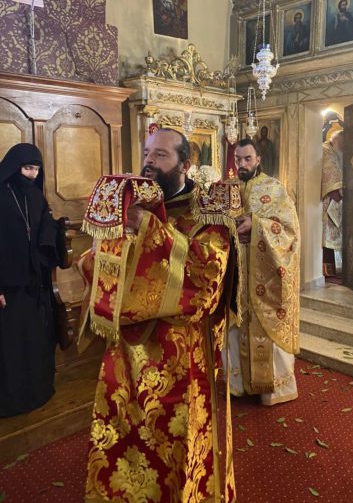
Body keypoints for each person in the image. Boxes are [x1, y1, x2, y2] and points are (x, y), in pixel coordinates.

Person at [82, 128, 239, 503]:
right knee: (123, 435)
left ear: (185, 164)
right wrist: (103, 247)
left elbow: (206, 281)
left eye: (161, 155)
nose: (149, 162)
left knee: (174, 446)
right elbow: (95, 268)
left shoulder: (208, 215)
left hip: (179, 360)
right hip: (125, 356)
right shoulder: (130, 205)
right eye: (148, 152)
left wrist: (149, 230)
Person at [224, 138, 300, 406]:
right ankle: (238, 385)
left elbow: (290, 232)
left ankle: (271, 389)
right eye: (238, 159)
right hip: (236, 273)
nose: (242, 164)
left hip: (264, 278)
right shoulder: (228, 189)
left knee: (265, 328)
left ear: (258, 159)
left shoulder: (274, 189)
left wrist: (256, 225)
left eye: (247, 159)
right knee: (235, 326)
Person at [0, 143, 66, 416]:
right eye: (27, 168)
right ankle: (11, 399)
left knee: (35, 339)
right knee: (10, 345)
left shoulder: (36, 197)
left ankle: (37, 391)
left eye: (37, 170)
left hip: (34, 282)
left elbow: (42, 225)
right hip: (7, 285)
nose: (32, 175)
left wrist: (54, 228)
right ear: (14, 167)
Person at [321, 130, 344, 276]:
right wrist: (339, 190)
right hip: (328, 199)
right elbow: (329, 174)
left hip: (336, 198)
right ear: (335, 140)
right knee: (326, 237)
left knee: (333, 236)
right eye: (341, 144)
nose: (342, 148)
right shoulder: (325, 151)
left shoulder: (334, 152)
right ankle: (326, 270)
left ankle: (335, 268)